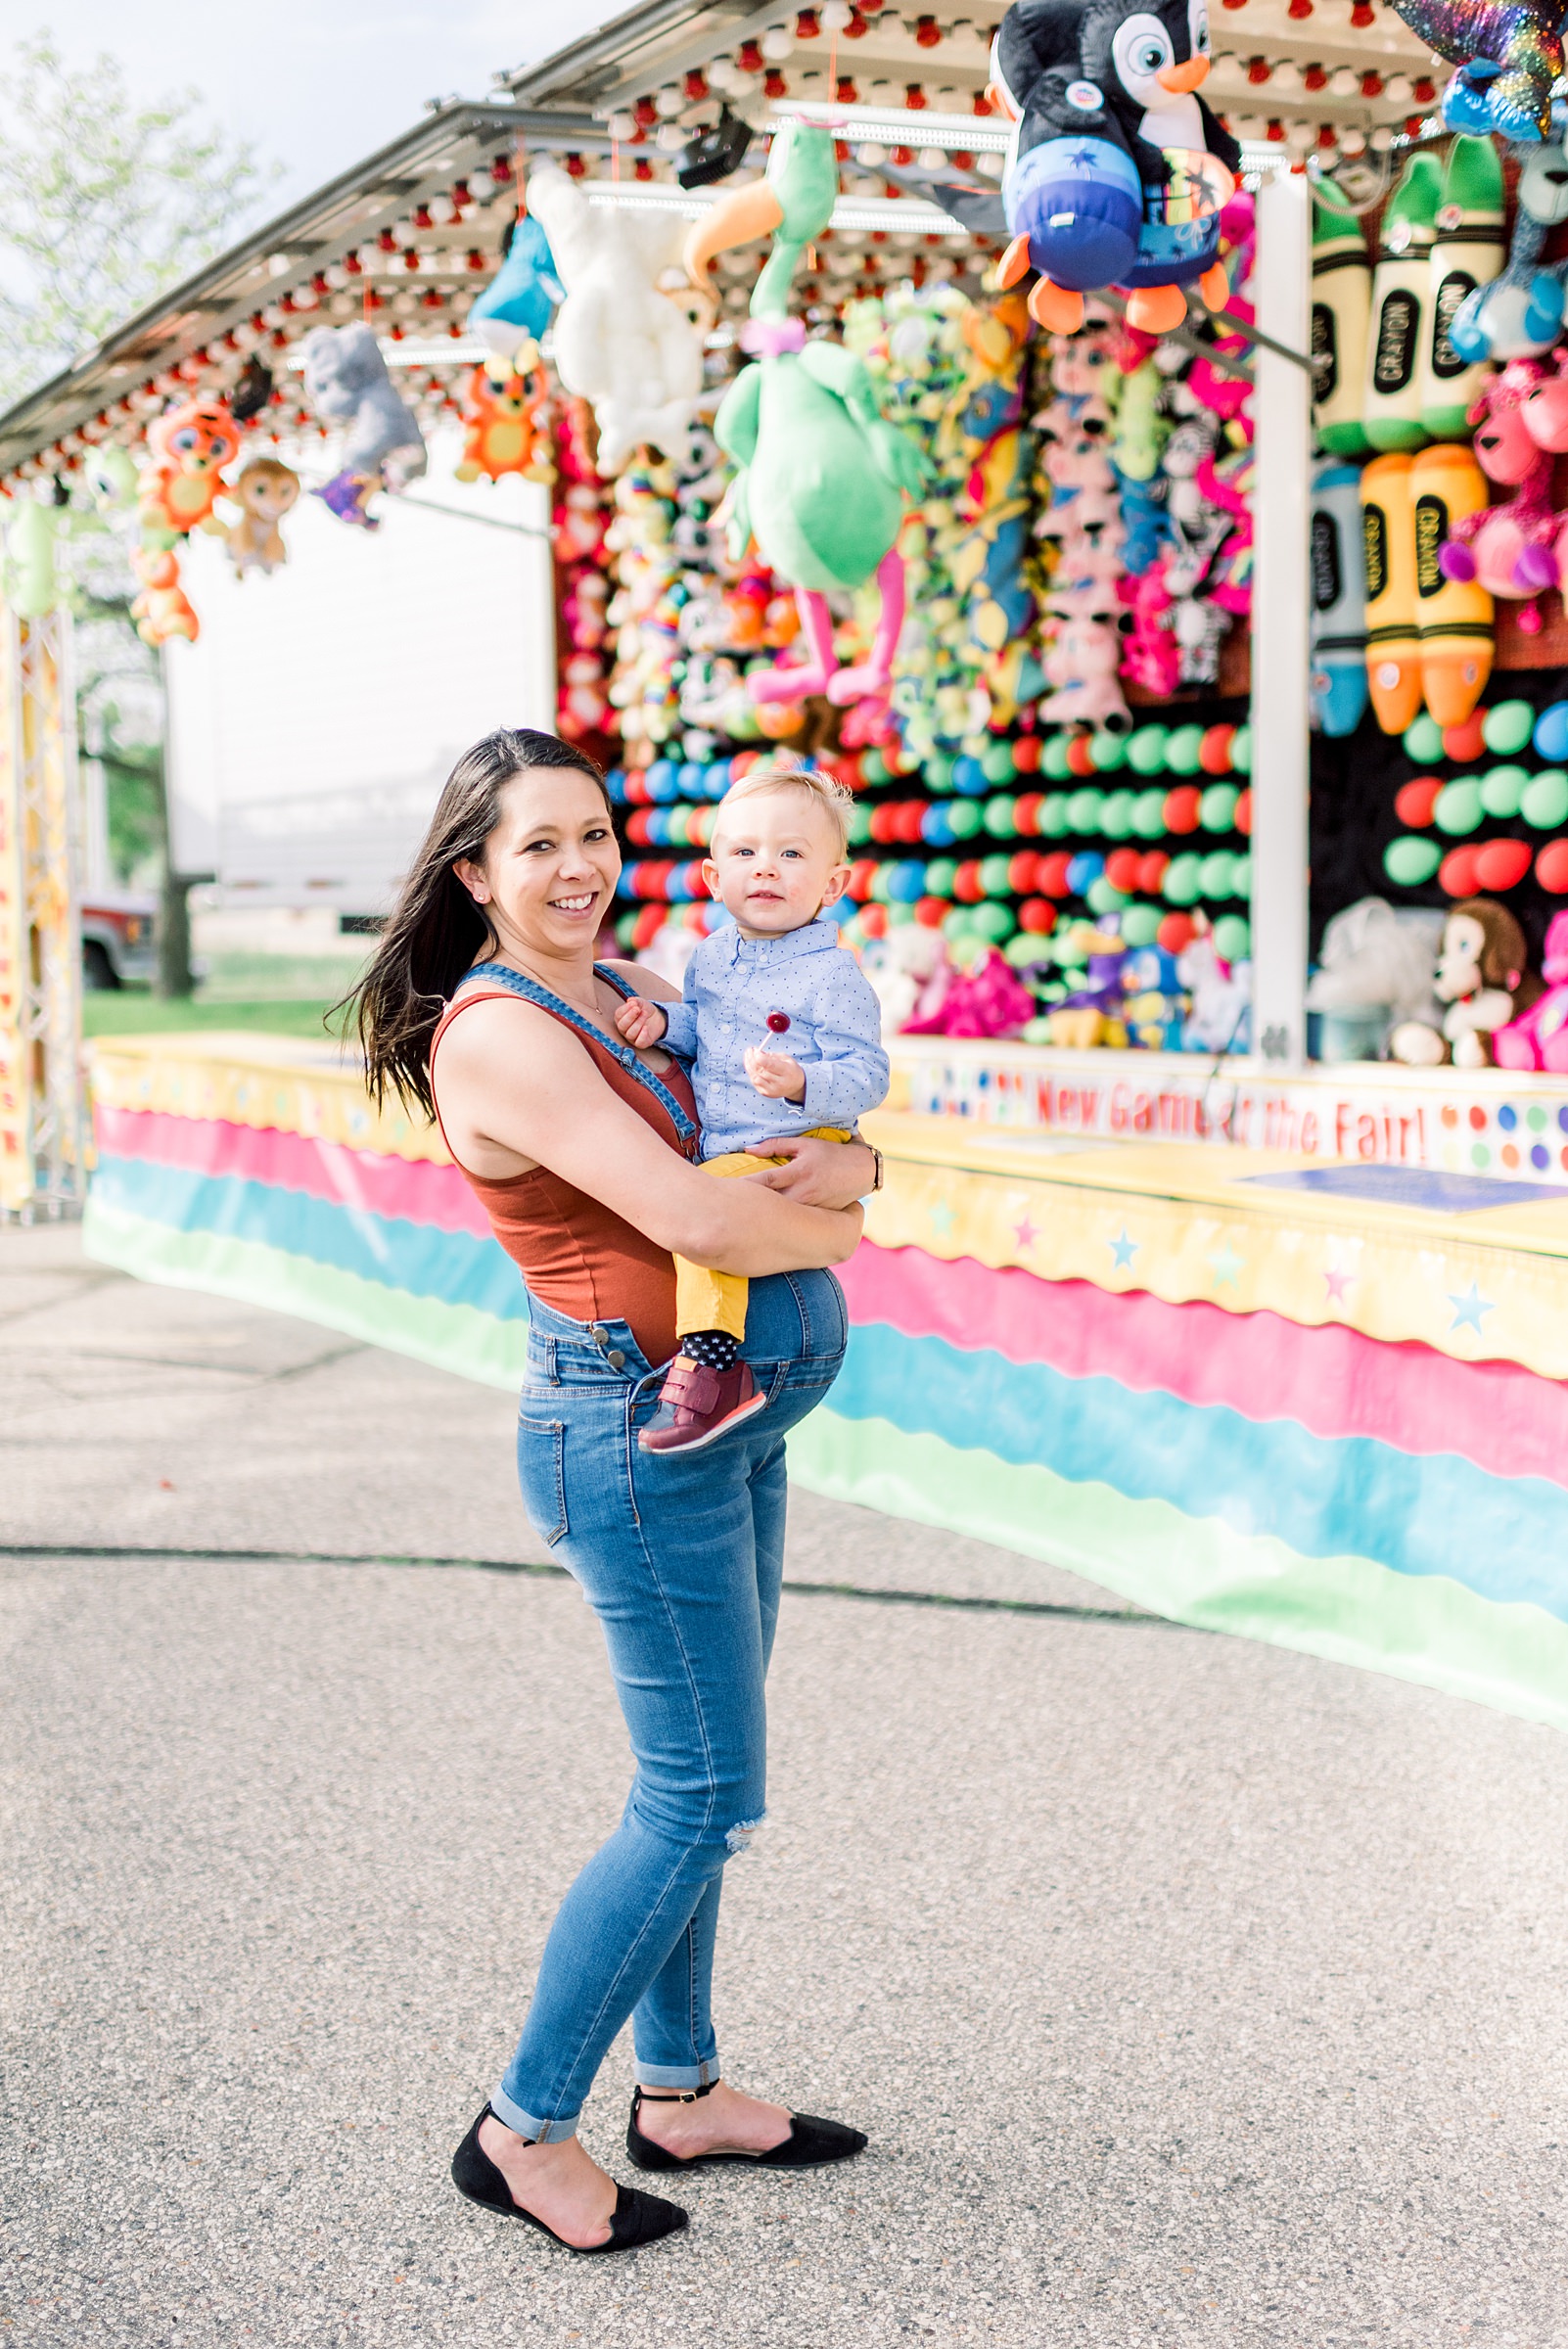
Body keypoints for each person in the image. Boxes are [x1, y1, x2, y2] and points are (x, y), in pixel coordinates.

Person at [347, 727, 879, 2257]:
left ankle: (684, 2089)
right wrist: (832, 1225)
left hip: (729, 1426)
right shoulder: (506, 1032)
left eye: (593, 834)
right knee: (701, 1792)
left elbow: (832, 1148)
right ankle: (520, 2130)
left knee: (706, 1795)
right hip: (634, 1440)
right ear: (474, 873)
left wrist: (846, 1182)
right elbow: (712, 1203)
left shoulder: (629, 985)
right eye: (537, 846)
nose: (578, 866)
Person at [613, 760, 889, 1453]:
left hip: (799, 1138)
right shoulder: (709, 958)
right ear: (712, 878)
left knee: (700, 1209)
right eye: (744, 852)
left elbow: (869, 1073)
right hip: (732, 1145)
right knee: (708, 1197)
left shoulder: (832, 974)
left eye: (790, 853)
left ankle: (712, 1365)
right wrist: (662, 1024)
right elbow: (703, 1029)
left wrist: (801, 1081)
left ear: (833, 883)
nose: (765, 868)